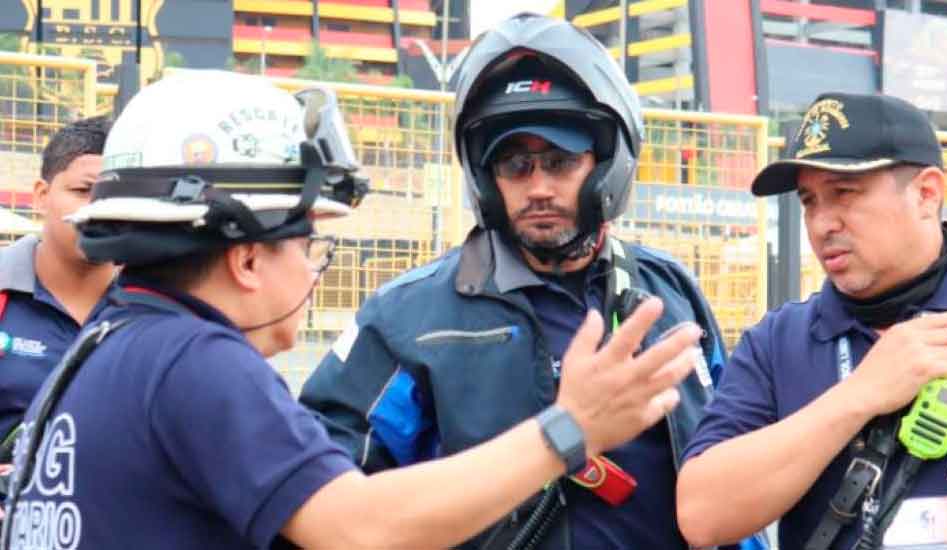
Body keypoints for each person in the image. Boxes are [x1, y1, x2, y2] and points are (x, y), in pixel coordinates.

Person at [1, 70, 700, 550]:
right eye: (310, 244)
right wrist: (571, 429)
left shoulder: (106, 343)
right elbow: (358, 528)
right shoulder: (198, 365)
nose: (313, 268)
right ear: (247, 259)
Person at [300, 13, 753, 550]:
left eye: (560, 162)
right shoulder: (410, 318)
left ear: (607, 164)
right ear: (485, 180)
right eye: (515, 166)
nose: (538, 187)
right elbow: (327, 492)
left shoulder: (668, 294)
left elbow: (726, 467)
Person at [677, 92, 947, 550]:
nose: (821, 224)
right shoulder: (778, 342)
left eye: (843, 193)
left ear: (926, 193)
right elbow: (702, 516)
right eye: (809, 201)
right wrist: (859, 395)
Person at [0, 116, 114, 450]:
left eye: (113, 194)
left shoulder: (161, 308)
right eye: (83, 191)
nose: (98, 210)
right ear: (41, 195)